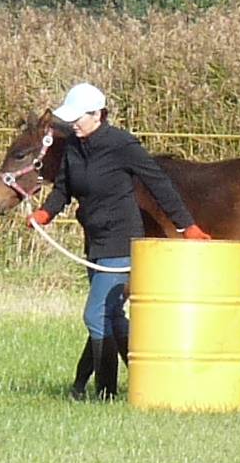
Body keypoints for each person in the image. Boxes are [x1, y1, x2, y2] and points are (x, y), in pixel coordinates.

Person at [27, 82, 211, 400]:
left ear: (98, 114)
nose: (73, 124)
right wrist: (46, 213)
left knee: (95, 314)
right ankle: (145, 377)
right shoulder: (73, 146)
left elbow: (158, 183)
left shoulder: (121, 144)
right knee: (111, 314)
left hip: (122, 242)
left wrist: (187, 227)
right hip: (95, 242)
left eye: (78, 118)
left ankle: (107, 392)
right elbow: (63, 188)